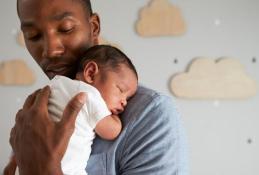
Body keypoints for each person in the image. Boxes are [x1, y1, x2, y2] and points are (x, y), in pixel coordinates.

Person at [4, 0, 189, 174]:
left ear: (93, 27)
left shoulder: (151, 116)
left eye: (66, 29)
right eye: (33, 36)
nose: (50, 50)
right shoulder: (35, 112)